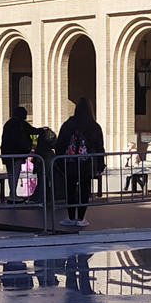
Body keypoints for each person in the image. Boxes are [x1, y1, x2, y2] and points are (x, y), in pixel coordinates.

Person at [56, 97, 105, 227]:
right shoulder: (94, 126)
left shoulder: (69, 124)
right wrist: (100, 163)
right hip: (87, 164)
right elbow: (99, 146)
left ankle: (71, 217)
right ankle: (81, 218)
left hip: (70, 163)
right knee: (84, 190)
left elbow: (60, 143)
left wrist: (59, 160)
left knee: (70, 190)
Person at [0, 106, 35, 201]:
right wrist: (43, 130)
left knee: (11, 174)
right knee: (15, 174)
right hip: (17, 153)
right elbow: (32, 130)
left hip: (6, 153)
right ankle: (13, 195)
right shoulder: (20, 123)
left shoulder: (8, 123)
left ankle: (12, 194)